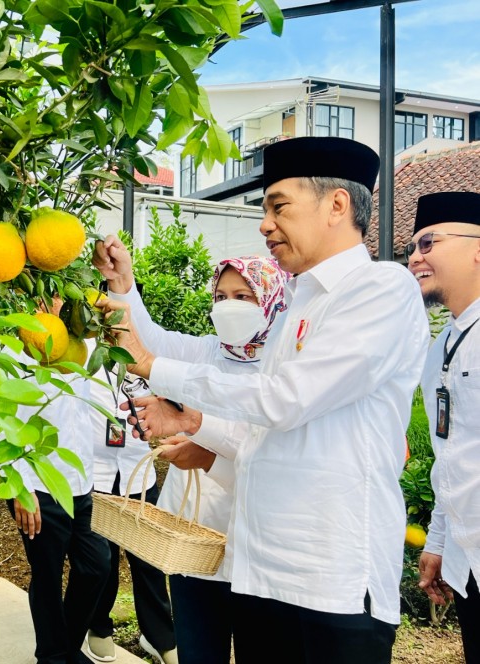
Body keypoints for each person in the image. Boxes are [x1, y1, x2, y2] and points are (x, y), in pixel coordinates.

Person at [95, 136, 430, 664]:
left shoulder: (380, 288)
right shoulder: (299, 306)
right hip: (263, 570)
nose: (265, 224)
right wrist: (195, 426)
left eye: (279, 206)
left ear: (336, 205)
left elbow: (284, 401)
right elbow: (262, 433)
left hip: (330, 579)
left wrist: (157, 370)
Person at [92, 250, 288, 664]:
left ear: (273, 301)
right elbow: (151, 342)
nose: (229, 306)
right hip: (191, 543)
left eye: (243, 296)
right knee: (198, 652)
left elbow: (272, 451)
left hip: (256, 547)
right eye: (220, 296)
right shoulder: (206, 353)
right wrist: (123, 283)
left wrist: (202, 438)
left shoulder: (285, 373)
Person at [6, 298, 111, 664]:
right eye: (48, 294)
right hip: (37, 485)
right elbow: (2, 424)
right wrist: (20, 485)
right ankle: (52, 657)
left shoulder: (83, 345)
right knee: (47, 576)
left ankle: (65, 647)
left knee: (96, 565)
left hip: (80, 483)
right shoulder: (15, 350)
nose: (57, 303)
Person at [407, 191, 480, 664]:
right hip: (469, 559)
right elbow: (449, 454)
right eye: (413, 246)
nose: (414, 257)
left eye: (428, 243)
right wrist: (439, 543)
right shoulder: (443, 346)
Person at [85, 353, 177, 664]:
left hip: (138, 469)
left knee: (148, 559)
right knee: (102, 560)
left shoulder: (145, 353)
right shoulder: (75, 351)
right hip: (95, 471)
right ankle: (98, 627)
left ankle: (159, 636)